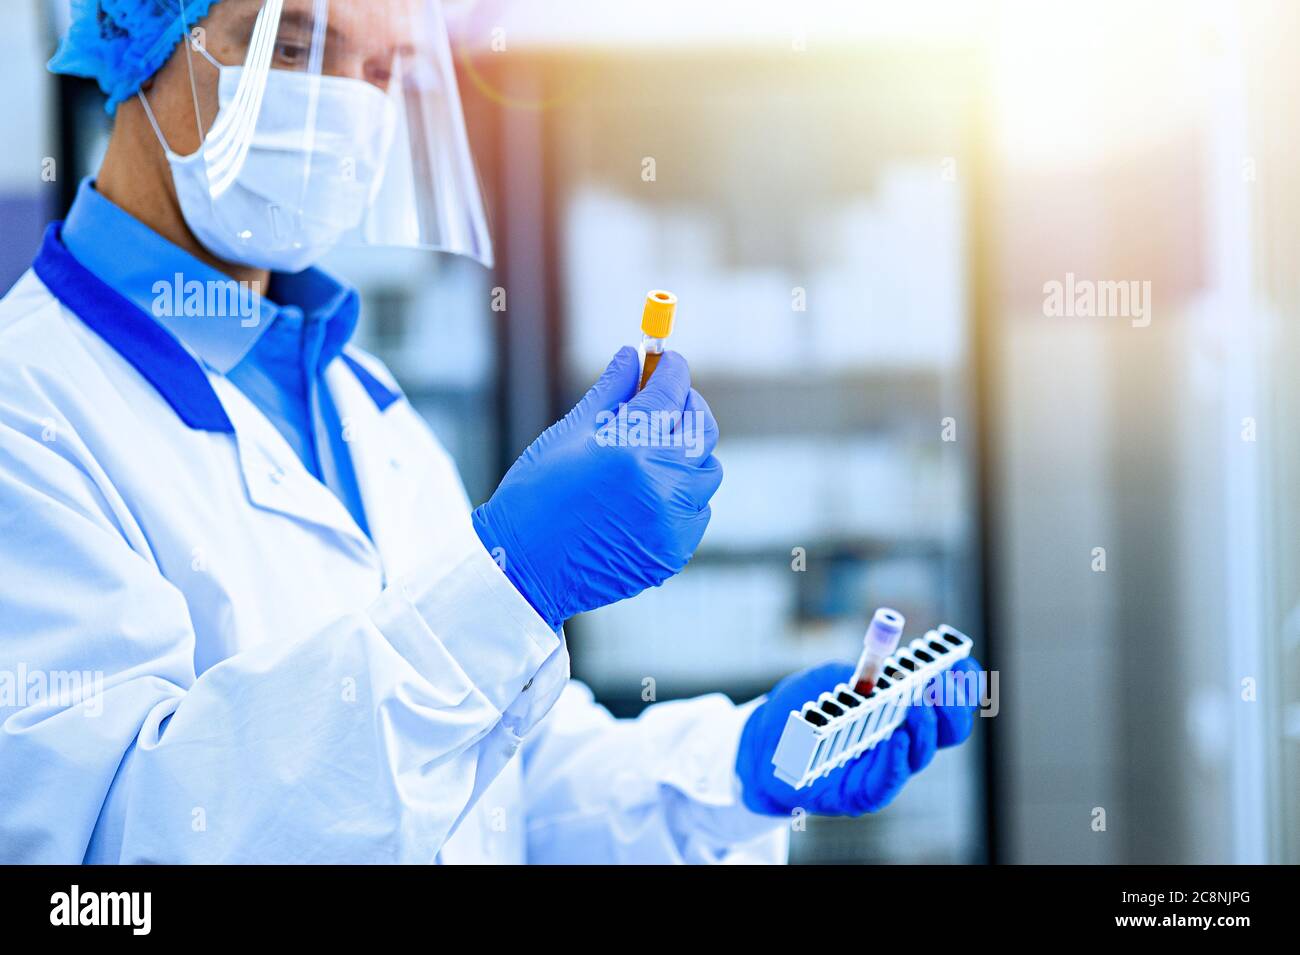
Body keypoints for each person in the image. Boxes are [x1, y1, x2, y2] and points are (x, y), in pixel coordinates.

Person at [0, 0, 980, 864]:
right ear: (145, 30)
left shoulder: (353, 392)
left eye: (381, 69)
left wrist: (737, 768)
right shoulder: (28, 413)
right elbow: (123, 854)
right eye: (295, 40)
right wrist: (505, 582)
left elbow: (499, 789)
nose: (347, 101)